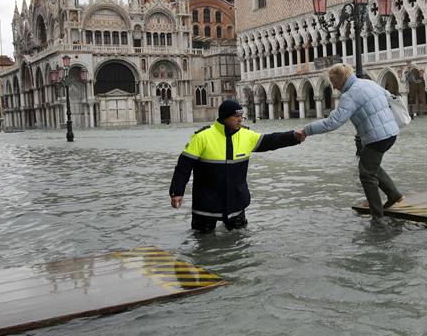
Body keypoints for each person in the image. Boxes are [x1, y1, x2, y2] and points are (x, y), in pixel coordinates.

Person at [170, 100, 305, 232]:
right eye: (236, 116)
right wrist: (177, 192)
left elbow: (271, 140)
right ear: (224, 117)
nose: (240, 120)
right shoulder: (202, 137)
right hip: (206, 205)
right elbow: (184, 166)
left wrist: (293, 137)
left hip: (236, 203)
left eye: (241, 116)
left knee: (240, 244)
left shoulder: (247, 135)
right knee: (203, 245)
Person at [297, 63, 403, 219]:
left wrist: (307, 130)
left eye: (333, 82)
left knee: (366, 174)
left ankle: (377, 216)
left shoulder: (350, 95)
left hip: (377, 137)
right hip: (391, 133)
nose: (333, 87)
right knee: (370, 165)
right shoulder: (368, 82)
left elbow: (332, 122)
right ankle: (394, 195)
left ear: (341, 79)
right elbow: (388, 96)